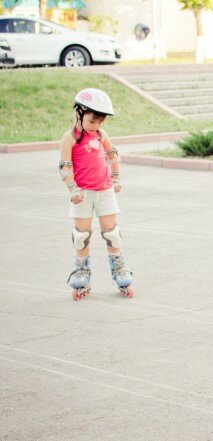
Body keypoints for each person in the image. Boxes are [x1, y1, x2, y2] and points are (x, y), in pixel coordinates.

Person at [59, 88, 133, 300]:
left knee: (111, 232)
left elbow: (113, 156)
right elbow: (65, 167)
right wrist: (72, 189)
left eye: (100, 122)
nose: (96, 126)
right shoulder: (69, 138)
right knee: (82, 236)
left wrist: (116, 177)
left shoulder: (101, 135)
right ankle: (82, 271)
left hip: (105, 191)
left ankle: (119, 270)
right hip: (82, 194)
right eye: (92, 121)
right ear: (80, 112)